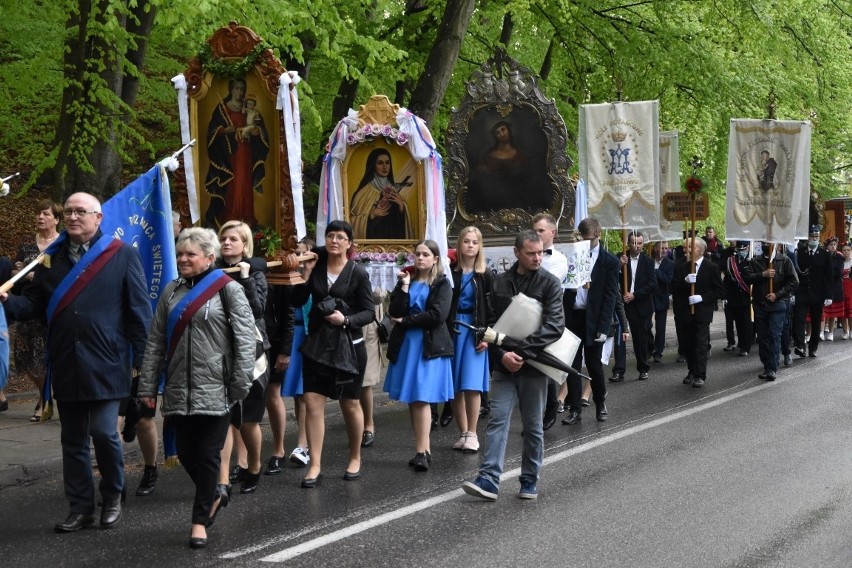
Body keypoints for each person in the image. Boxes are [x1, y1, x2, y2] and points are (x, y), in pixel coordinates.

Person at [1, 192, 152, 533]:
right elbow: (34, 305)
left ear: (98, 218)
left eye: (80, 212)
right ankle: (81, 507)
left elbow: (139, 314)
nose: (72, 217)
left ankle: (112, 496)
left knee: (103, 432)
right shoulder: (51, 261)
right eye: (68, 211)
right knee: (72, 440)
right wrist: (8, 302)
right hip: (67, 360)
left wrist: (144, 366)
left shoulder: (121, 255)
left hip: (108, 361)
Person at [138, 227, 255, 548]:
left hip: (218, 389)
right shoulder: (170, 293)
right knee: (187, 453)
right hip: (177, 389)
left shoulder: (228, 290)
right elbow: (155, 344)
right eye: (180, 254)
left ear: (208, 257)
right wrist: (147, 387)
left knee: (207, 453)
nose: (183, 259)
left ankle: (199, 521)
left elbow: (246, 340)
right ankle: (214, 492)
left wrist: (239, 385)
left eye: (190, 254)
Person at [461, 229, 563, 501]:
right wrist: (502, 355)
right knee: (497, 421)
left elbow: (555, 327)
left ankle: (529, 480)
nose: (537, 257)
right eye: (531, 253)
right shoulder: (499, 283)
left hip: (535, 367)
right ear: (516, 252)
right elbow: (490, 324)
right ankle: (489, 479)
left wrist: (520, 351)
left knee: (532, 426)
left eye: (540, 252)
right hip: (504, 365)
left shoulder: (550, 283)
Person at [289, 220, 374, 487]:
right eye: (330, 236)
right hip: (318, 346)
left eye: (340, 237)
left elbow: (369, 312)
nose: (334, 240)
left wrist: (346, 320)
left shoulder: (357, 272)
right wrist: (306, 272)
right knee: (313, 403)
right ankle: (315, 464)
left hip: (350, 346)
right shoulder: (316, 265)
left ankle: (355, 456)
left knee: (349, 403)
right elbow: (297, 300)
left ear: (350, 243)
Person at [384, 240, 454, 470]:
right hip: (408, 345)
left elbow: (438, 315)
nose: (420, 258)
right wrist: (403, 287)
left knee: (422, 398)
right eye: (417, 254)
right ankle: (422, 449)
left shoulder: (442, 284)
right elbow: (394, 311)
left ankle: (422, 451)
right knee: (414, 400)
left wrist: (407, 321)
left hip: (429, 345)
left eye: (425, 254)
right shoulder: (408, 281)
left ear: (435, 259)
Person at [216, 221, 269, 496]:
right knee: (223, 416)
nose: (226, 243)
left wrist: (246, 277)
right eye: (223, 238)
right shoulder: (213, 272)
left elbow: (258, 309)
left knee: (248, 419)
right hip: (218, 350)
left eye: (233, 238)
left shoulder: (256, 272)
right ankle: (222, 477)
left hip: (252, 351)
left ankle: (254, 465)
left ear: (244, 244)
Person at [562, 218, 620, 426]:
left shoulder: (609, 262)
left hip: (594, 319)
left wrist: (604, 328)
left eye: (589, 239)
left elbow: (610, 297)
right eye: (583, 239)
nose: (586, 244)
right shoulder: (571, 255)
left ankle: (600, 403)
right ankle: (575, 408)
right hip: (574, 317)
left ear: (598, 234)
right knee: (572, 365)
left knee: (594, 365)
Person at [9, 198, 62, 422]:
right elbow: (14, 271)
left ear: (57, 219)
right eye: (38, 213)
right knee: (23, 357)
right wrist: (19, 272)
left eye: (46, 214)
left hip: (52, 307)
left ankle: (44, 399)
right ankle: (45, 393)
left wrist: (39, 276)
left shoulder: (62, 245)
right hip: (27, 306)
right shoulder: (27, 246)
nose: (40, 217)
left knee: (46, 356)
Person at [446, 227, 493, 454]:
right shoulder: (449, 272)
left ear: (479, 246)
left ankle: (473, 433)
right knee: (455, 385)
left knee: (472, 384)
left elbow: (493, 308)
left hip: (475, 330)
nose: (471, 245)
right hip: (453, 329)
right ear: (459, 244)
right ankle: (463, 431)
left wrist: (488, 336)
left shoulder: (484, 274)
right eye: (466, 241)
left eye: (475, 242)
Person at [204, 78, 270, 227]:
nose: (239, 92)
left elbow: (261, 129)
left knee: (244, 182)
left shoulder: (249, 108)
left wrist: (256, 132)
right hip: (229, 154)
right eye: (237, 89)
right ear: (231, 89)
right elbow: (211, 132)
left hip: (245, 152)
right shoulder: (222, 109)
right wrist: (224, 130)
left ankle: (245, 217)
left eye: (242, 89)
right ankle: (229, 217)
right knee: (232, 183)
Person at [278, 237, 314, 467]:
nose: (297, 257)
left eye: (301, 252)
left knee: (307, 394)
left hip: (310, 337)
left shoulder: (316, 277)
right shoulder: (289, 277)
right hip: (293, 336)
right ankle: (303, 442)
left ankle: (305, 445)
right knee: (297, 394)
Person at [671, 237, 725, 388]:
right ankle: (692, 371)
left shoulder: (711, 267)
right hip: (686, 312)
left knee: (700, 344)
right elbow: (673, 288)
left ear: (700, 250)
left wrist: (701, 297)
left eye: (690, 247)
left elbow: (720, 291)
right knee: (688, 344)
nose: (687, 250)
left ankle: (700, 374)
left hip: (702, 312)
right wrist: (685, 282)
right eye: (686, 247)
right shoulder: (682, 267)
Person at [464, 121, 551, 213]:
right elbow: (480, 178)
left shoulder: (520, 154)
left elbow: (528, 178)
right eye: (498, 132)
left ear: (509, 130)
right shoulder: (488, 156)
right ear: (495, 137)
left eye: (503, 130)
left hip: (519, 203)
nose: (501, 134)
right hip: (493, 202)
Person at [532, 214, 568, 430]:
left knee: (546, 365)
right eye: (533, 230)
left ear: (552, 233)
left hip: (548, 318)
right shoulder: (526, 258)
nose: (535, 234)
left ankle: (552, 406)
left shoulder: (559, 260)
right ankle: (534, 414)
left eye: (540, 231)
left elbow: (544, 287)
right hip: (527, 316)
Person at [743, 242, 799, 381]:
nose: (766, 244)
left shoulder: (784, 260)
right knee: (762, 338)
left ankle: (772, 369)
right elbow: (747, 278)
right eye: (763, 242)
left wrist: (777, 295)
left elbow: (794, 281)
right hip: (760, 305)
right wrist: (763, 274)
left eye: (769, 242)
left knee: (774, 335)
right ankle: (767, 365)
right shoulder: (755, 260)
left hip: (778, 305)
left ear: (775, 244)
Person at [612, 231, 656, 381]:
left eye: (639, 243)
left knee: (640, 338)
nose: (637, 246)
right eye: (633, 243)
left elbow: (652, 284)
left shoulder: (649, 262)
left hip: (640, 304)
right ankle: (618, 370)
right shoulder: (620, 257)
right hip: (623, 304)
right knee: (620, 338)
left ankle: (643, 368)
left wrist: (635, 295)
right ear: (628, 244)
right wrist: (618, 266)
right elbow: (611, 279)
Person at [349, 148, 414, 240]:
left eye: (387, 163)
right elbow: (352, 222)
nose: (385, 167)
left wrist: (401, 206)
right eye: (380, 163)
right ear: (373, 165)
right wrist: (372, 215)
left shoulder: (394, 191)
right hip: (372, 245)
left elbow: (402, 224)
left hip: (395, 244)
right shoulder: (363, 193)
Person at [792, 226, 834, 358]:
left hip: (818, 293)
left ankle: (813, 348)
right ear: (808, 238)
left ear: (819, 237)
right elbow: (795, 273)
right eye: (811, 236)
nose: (814, 239)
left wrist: (829, 295)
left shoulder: (825, 254)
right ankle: (800, 345)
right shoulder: (800, 252)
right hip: (802, 292)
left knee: (816, 322)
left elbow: (829, 276)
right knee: (798, 319)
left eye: (816, 237)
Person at [723, 241, 754, 357]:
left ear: (748, 248)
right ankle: (741, 342)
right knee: (739, 322)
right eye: (739, 249)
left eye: (743, 249)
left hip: (748, 295)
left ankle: (746, 346)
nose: (741, 251)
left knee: (747, 322)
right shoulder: (731, 261)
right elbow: (727, 280)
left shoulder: (752, 260)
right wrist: (725, 296)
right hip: (734, 296)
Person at [650, 241, 673, 362]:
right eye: (662, 248)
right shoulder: (648, 261)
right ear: (655, 248)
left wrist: (656, 271)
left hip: (661, 298)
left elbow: (668, 280)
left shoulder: (669, 264)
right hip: (648, 297)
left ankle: (658, 351)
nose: (664, 250)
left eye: (666, 248)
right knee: (646, 325)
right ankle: (649, 347)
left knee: (660, 327)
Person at [820, 237, 844, 341]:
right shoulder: (823, 256)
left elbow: (839, 272)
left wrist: (828, 274)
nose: (833, 246)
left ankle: (831, 332)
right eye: (831, 244)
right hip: (823, 286)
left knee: (832, 311)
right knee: (823, 311)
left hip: (835, 285)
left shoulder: (839, 257)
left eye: (834, 244)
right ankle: (821, 332)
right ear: (827, 246)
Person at [838, 242, 852, 340]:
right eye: (844, 250)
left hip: (850, 288)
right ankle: (845, 331)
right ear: (841, 251)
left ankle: (851, 330)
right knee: (843, 310)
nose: (846, 252)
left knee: (850, 310)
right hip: (841, 287)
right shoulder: (839, 262)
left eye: (848, 250)